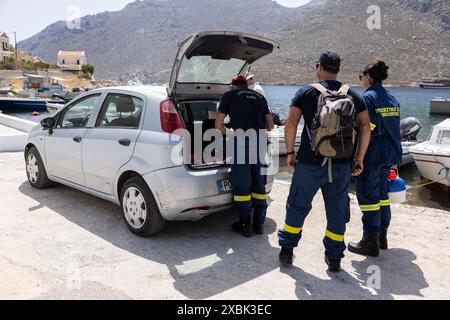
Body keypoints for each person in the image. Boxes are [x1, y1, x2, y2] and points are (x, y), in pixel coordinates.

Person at [278, 52, 372, 272]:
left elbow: (290, 123)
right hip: (340, 165)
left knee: (297, 206)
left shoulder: (306, 92)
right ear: (338, 69)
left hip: (309, 164)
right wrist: (359, 158)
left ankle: (287, 251)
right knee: (337, 211)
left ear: (319, 67)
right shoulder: (353, 95)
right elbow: (365, 126)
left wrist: (290, 153)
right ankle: (334, 258)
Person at [348, 60, 402, 257]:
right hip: (390, 154)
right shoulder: (391, 98)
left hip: (373, 154)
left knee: (368, 197)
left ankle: (369, 241)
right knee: (381, 194)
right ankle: (382, 237)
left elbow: (365, 130)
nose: (362, 80)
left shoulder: (368, 99)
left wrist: (357, 157)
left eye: (362, 77)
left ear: (368, 77)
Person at [216, 75, 274, 237]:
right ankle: (259, 224)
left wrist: (231, 132)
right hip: (261, 142)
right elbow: (270, 126)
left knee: (242, 184)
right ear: (246, 84)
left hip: (242, 142)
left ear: (232, 85)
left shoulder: (229, 95)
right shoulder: (259, 97)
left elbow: (217, 124)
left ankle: (245, 224)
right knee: (258, 183)